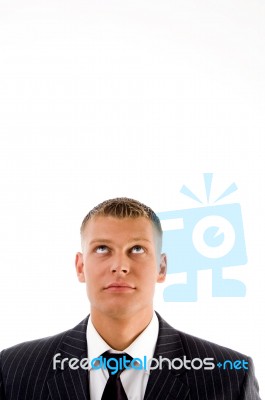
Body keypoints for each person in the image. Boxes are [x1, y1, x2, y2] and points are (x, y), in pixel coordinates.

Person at [0, 197, 261, 400]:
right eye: (102, 248)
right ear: (80, 267)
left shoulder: (228, 377)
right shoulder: (15, 370)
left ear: (161, 268)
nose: (120, 265)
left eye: (137, 249)